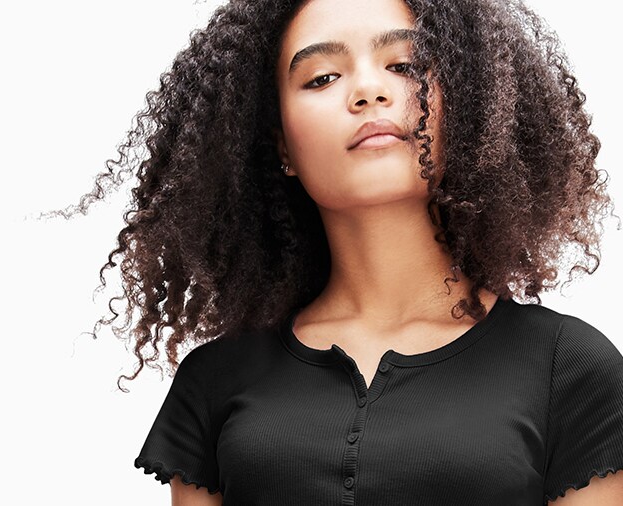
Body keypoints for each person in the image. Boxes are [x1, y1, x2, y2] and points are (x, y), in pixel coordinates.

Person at [56, 0, 623, 503]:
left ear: (471, 106)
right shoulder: (216, 380)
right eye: (323, 77)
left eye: (405, 66)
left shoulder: (569, 370)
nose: (369, 91)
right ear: (281, 145)